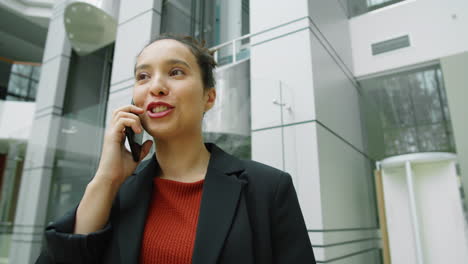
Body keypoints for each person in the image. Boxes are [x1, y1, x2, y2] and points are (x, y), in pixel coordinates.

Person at [35, 33, 316, 264]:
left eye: (175, 72)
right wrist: (106, 180)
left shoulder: (268, 188)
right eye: (143, 76)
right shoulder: (116, 191)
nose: (155, 86)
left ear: (209, 97)